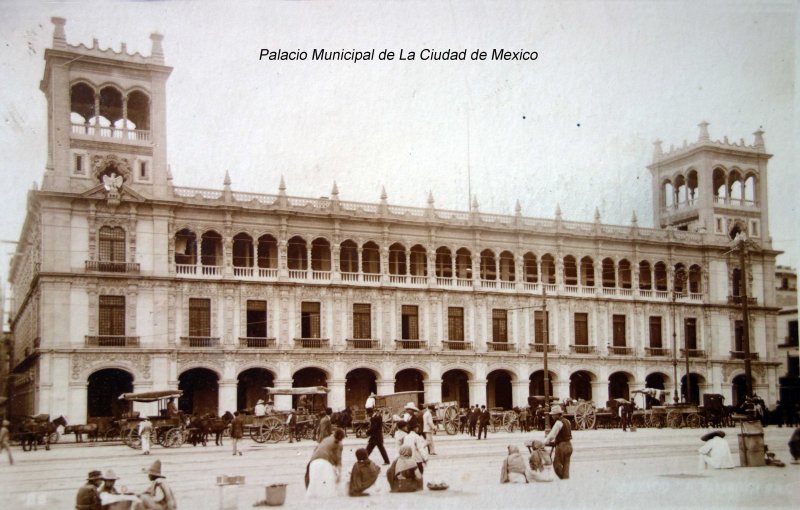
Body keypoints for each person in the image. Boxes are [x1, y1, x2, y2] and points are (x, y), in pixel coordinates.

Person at [305, 428, 345, 498]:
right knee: (327, 488)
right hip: (324, 463)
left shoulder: (326, 439)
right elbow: (338, 460)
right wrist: (339, 475)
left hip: (313, 462)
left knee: (314, 484)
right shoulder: (339, 444)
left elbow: (315, 450)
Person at [544, 404, 573, 479]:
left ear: (557, 415)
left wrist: (545, 442)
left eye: (553, 415)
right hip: (569, 445)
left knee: (556, 465)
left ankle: (563, 478)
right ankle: (566, 479)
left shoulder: (558, 423)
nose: (552, 416)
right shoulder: (567, 421)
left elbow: (552, 435)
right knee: (566, 466)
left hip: (562, 446)